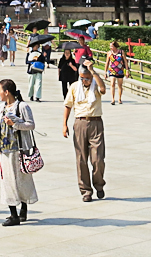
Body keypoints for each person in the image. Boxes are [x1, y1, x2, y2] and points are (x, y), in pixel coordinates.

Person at [0, 79, 37, 226]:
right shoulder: (1, 107)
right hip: (5, 150)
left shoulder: (22, 107)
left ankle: (21, 210)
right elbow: (1, 125)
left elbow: (31, 125)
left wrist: (15, 124)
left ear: (6, 92)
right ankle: (14, 213)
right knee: (8, 181)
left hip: (19, 150)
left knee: (22, 180)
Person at [63, 64, 108, 202]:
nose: (85, 81)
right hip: (80, 122)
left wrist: (93, 72)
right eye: (83, 78)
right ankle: (86, 191)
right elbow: (68, 105)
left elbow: (103, 89)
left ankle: (99, 185)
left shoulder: (96, 84)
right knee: (81, 159)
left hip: (95, 122)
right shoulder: (75, 87)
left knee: (98, 159)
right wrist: (64, 124)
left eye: (87, 79)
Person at [106, 41, 130, 105]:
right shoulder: (109, 53)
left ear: (115, 46)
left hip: (120, 70)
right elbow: (107, 62)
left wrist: (127, 70)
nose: (110, 47)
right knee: (112, 84)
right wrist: (105, 72)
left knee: (120, 85)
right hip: (112, 70)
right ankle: (112, 99)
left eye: (112, 46)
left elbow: (125, 61)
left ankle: (119, 98)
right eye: (110, 46)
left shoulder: (121, 52)